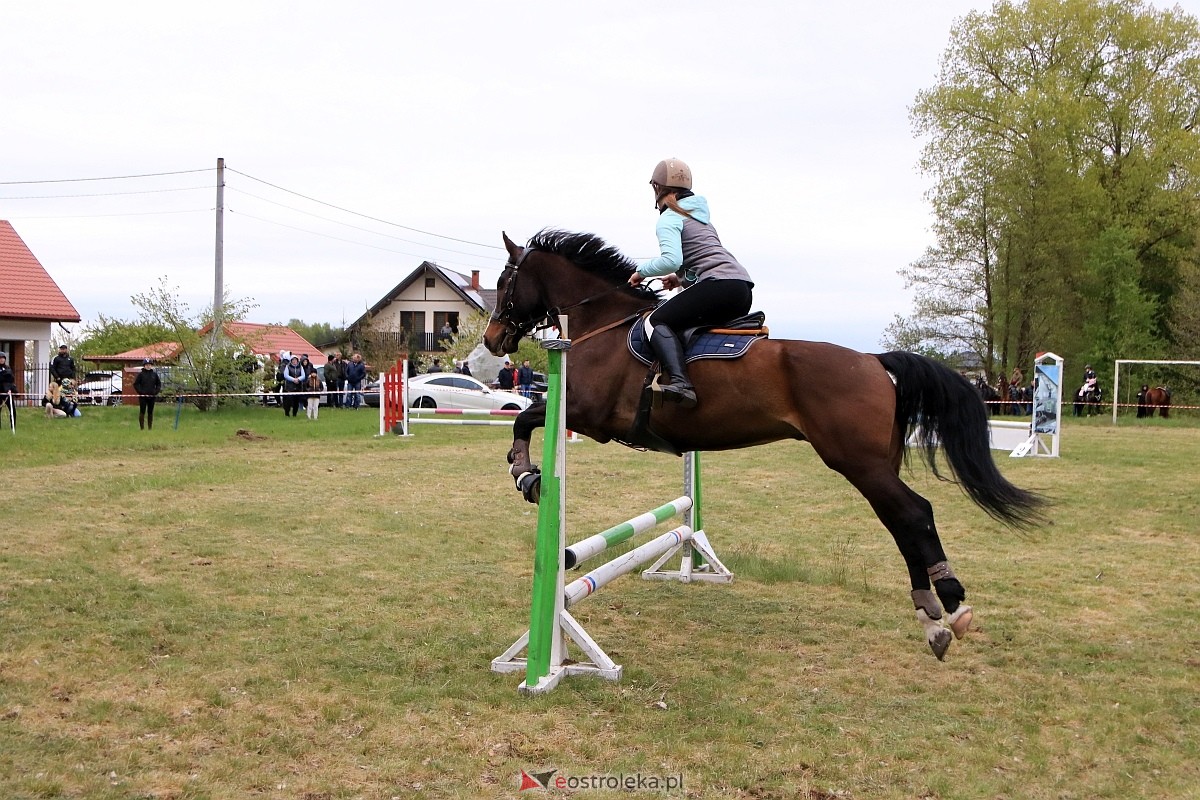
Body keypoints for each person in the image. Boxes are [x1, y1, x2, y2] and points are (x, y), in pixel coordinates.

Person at [627, 158, 754, 408]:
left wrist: (641, 272)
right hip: (741, 288)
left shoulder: (669, 218)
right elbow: (700, 260)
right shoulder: (701, 218)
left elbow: (671, 260)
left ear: (657, 188)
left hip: (719, 286)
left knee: (655, 321)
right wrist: (679, 279)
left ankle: (681, 383)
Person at [133, 358, 161, 430]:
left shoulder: (154, 374)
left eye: (149, 365)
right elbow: (136, 384)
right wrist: (141, 392)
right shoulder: (141, 374)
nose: (148, 366)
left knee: (150, 412)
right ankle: (142, 428)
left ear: (151, 366)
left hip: (152, 396)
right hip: (143, 397)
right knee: (142, 411)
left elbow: (158, 384)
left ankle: (150, 428)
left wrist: (155, 392)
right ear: (144, 366)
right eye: (146, 365)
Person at [0, 351, 16, 432]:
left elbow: (11, 379)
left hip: (7, 392)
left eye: (3, 358)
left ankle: (13, 426)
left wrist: (10, 388)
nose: (2, 360)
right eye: (0, 358)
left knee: (12, 410)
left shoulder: (8, 368)